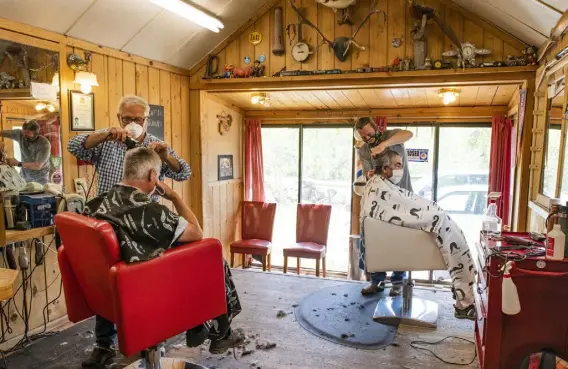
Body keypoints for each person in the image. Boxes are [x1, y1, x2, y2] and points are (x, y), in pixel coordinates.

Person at [82, 148, 242, 368]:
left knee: (181, 253)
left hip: (108, 292)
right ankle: (218, 332)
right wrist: (175, 197)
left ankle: (206, 329)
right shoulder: (151, 212)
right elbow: (196, 233)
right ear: (152, 176)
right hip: (147, 295)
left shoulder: (95, 205)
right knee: (212, 259)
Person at [360, 150, 476, 320]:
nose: (401, 169)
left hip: (397, 237)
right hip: (403, 240)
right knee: (445, 227)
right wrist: (435, 216)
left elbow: (402, 210)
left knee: (444, 222)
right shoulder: (379, 186)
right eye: (398, 165)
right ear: (385, 169)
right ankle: (464, 300)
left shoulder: (378, 184)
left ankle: (463, 293)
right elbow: (403, 215)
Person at [68, 95, 191, 197]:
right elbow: (73, 146)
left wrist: (167, 157)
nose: (133, 123)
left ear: (147, 119)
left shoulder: (156, 146)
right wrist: (104, 135)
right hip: (109, 212)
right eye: (127, 119)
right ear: (119, 117)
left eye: (138, 119)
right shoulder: (107, 139)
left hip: (143, 215)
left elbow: (184, 173)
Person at [355, 117, 413, 296]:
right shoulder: (364, 150)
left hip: (402, 198)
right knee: (375, 241)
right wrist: (369, 174)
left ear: (376, 128)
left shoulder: (392, 136)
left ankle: (398, 282)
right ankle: (377, 281)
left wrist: (383, 145)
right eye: (364, 137)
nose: (368, 139)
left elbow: (408, 134)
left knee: (399, 241)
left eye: (370, 134)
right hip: (379, 200)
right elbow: (365, 173)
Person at [0, 120, 51, 184]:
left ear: (36, 134)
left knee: (40, 192)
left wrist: (18, 163)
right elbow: (2, 133)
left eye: (27, 135)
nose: (24, 137)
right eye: (24, 133)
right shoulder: (20, 134)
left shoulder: (44, 144)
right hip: (25, 174)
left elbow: (38, 166)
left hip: (40, 176)